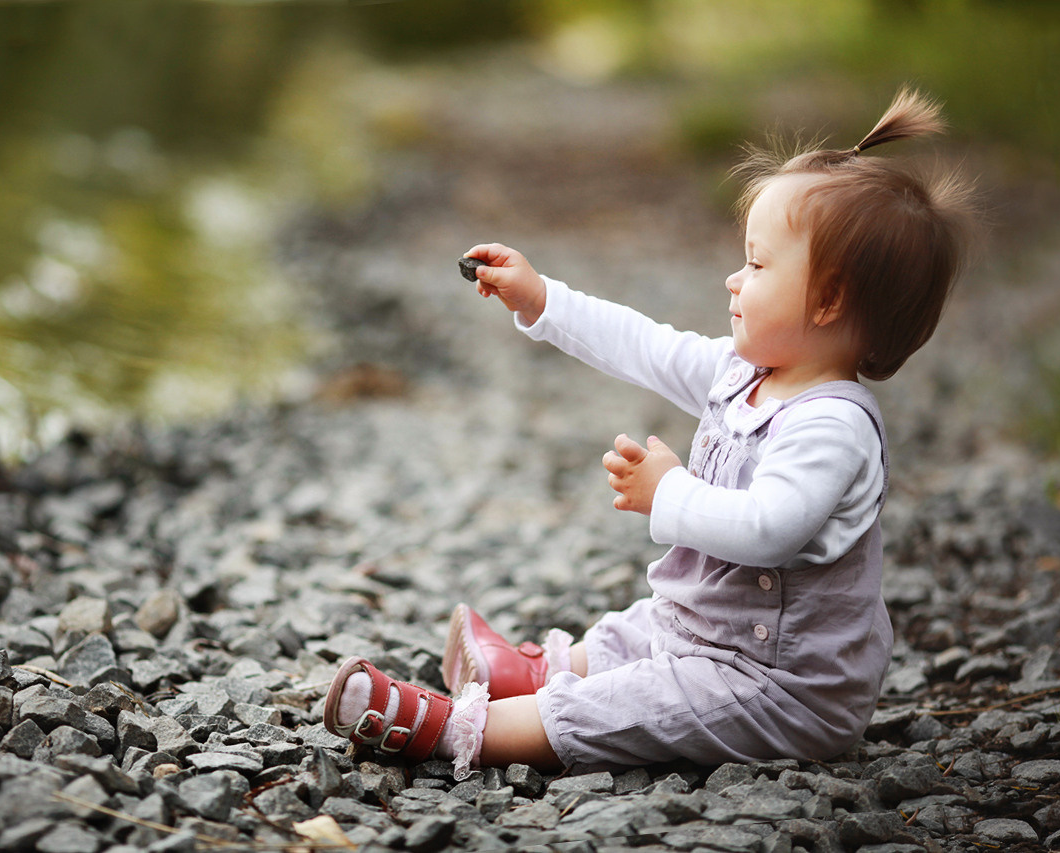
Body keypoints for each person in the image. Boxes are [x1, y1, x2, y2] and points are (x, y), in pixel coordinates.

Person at [321, 88, 977, 779]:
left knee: (635, 700)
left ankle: (454, 729)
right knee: (643, 625)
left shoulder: (833, 425)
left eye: (757, 265)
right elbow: (646, 346)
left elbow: (770, 529)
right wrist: (544, 300)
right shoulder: (743, 374)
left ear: (830, 298)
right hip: (709, 637)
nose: (733, 279)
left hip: (783, 689)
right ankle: (532, 671)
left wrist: (670, 492)